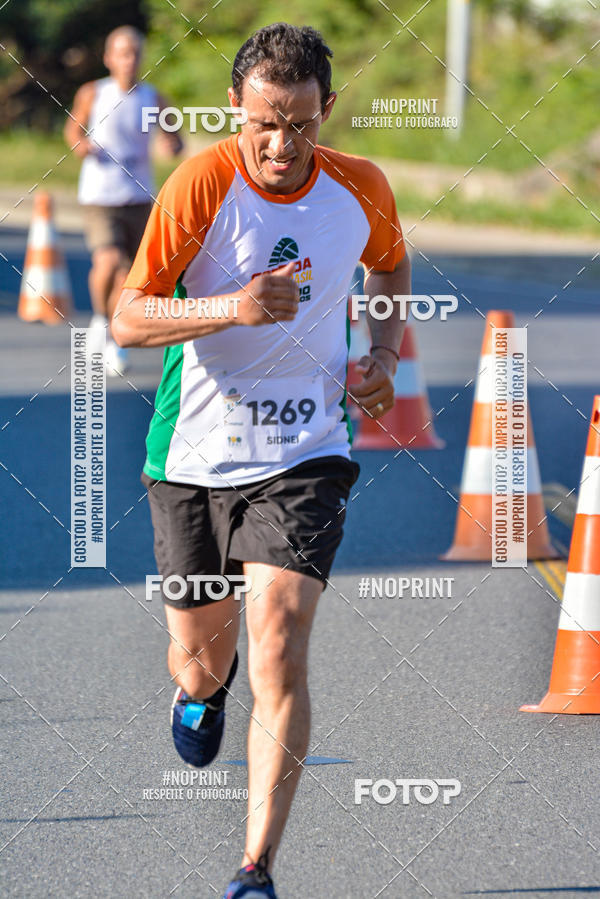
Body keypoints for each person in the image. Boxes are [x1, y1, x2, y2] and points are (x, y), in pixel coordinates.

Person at [112, 22, 410, 899]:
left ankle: (255, 869)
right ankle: (200, 690)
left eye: (303, 125)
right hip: (195, 452)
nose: (283, 146)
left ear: (326, 112)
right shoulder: (201, 182)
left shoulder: (361, 189)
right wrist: (229, 308)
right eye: (265, 124)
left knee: (280, 641)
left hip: (305, 451)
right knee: (202, 661)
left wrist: (385, 357)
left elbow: (390, 273)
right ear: (237, 109)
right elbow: (130, 317)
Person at [65, 25, 183, 376]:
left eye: (134, 53)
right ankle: (105, 328)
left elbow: (174, 137)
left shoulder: (153, 97)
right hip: (100, 195)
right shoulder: (93, 92)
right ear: (108, 58)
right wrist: (80, 145)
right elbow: (73, 128)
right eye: (122, 53)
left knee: (129, 276)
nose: (129, 60)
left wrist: (171, 145)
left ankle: (110, 332)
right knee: (109, 262)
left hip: (138, 197)